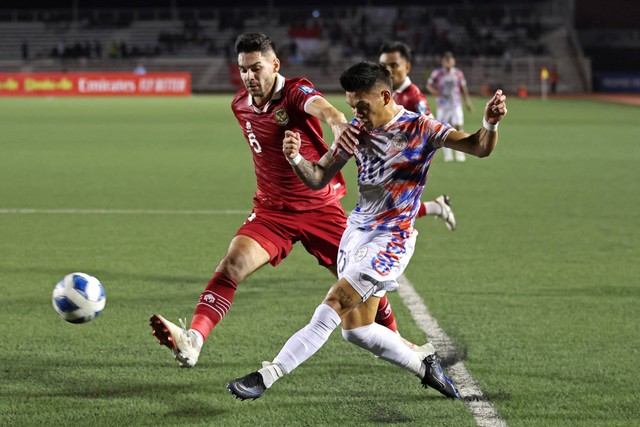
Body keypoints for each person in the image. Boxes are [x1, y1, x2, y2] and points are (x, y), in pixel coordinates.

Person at [226, 61, 507, 401]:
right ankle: (423, 365)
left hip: (392, 239)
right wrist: (296, 159)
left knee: (335, 302)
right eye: (351, 106)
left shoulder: (421, 128)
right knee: (356, 330)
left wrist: (489, 123)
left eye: (361, 106)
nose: (355, 114)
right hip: (357, 233)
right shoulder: (355, 132)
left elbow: (479, 147)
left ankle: (267, 375)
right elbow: (319, 178)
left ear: (385, 96)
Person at [149, 33, 426, 369]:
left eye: (257, 68)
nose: (250, 77)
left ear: (275, 65)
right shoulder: (239, 105)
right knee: (230, 267)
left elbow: (323, 108)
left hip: (320, 208)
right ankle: (192, 340)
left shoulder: (295, 91)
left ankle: (396, 339)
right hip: (272, 212)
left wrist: (338, 123)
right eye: (243, 70)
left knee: (362, 279)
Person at [379, 41, 455, 231]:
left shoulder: (415, 97)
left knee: (382, 215)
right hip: (386, 161)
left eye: (394, 65)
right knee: (386, 212)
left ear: (407, 66)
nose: (388, 70)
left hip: (404, 167)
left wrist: (411, 161)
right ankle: (436, 207)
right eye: (384, 66)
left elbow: (432, 132)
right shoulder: (389, 93)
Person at [426, 51, 475, 162]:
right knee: (444, 129)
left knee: (458, 126)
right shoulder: (437, 73)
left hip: (456, 104)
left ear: (453, 61)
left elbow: (464, 88)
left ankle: (460, 153)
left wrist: (468, 102)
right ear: (443, 62)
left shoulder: (458, 73)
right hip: (442, 105)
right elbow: (428, 85)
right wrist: (436, 93)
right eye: (446, 61)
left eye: (450, 60)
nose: (448, 63)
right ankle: (448, 154)